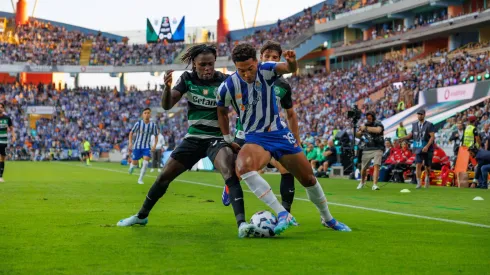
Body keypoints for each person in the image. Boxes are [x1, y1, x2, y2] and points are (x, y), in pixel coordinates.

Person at [117, 44, 254, 238]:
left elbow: (242, 109)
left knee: (229, 172)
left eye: (211, 64)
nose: (207, 68)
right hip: (193, 138)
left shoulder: (225, 81)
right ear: (194, 65)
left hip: (216, 138)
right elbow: (167, 105)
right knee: (164, 176)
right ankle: (141, 216)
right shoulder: (187, 79)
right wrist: (166, 87)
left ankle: (242, 224)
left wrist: (235, 138)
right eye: (202, 65)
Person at [216, 43, 351, 235]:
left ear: (257, 62)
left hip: (279, 134)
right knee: (243, 167)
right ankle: (282, 213)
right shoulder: (228, 86)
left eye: (250, 68)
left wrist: (292, 62)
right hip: (255, 137)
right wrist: (227, 137)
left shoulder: (267, 70)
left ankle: (328, 218)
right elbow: (221, 111)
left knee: (308, 178)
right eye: (241, 70)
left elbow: (288, 69)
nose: (246, 74)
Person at [222, 41, 299, 213]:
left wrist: (296, 140)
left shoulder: (283, 86)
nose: (271, 60)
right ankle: (230, 185)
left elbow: (291, 114)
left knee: (287, 169)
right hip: (247, 133)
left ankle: (286, 212)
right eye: (267, 57)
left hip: (272, 133)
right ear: (259, 59)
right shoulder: (245, 78)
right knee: (242, 170)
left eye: (275, 58)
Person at [399, 109, 435, 189]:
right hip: (418, 148)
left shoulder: (429, 125)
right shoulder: (414, 125)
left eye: (421, 114)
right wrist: (403, 138)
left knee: (427, 166)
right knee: (418, 165)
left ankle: (427, 179)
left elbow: (432, 137)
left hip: (427, 148)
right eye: (418, 114)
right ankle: (419, 183)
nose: (419, 116)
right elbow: (410, 135)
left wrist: (427, 146)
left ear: (424, 115)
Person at [128, 108, 158, 184]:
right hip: (137, 146)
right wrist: (130, 143)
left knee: (146, 163)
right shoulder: (138, 123)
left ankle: (140, 179)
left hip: (146, 147)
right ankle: (132, 166)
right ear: (142, 115)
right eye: (145, 113)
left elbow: (156, 136)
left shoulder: (153, 125)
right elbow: (131, 133)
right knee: (135, 163)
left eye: (148, 113)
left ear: (150, 114)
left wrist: (154, 145)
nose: (147, 114)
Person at [356, 112, 385, 190]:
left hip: (378, 147)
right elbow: (358, 135)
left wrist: (365, 128)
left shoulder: (378, 123)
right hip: (367, 148)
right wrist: (357, 130)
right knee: (363, 168)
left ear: (373, 117)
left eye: (369, 117)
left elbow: (378, 130)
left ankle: (374, 184)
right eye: (367, 117)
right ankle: (362, 182)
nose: (368, 119)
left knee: (376, 165)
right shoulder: (365, 125)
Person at [0, 103, 15, 182]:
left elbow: (11, 128)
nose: (0, 108)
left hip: (3, 141)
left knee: (2, 158)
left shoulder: (7, 118)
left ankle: (0, 176)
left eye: (1, 107)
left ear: (3, 109)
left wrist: (13, 136)